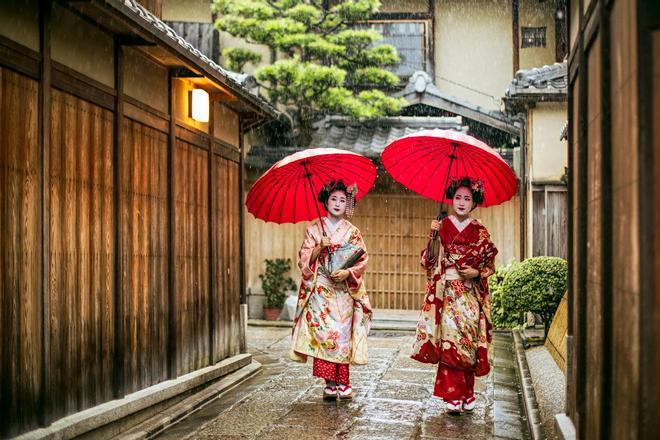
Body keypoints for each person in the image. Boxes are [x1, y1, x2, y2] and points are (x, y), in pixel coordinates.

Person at [411, 177, 498, 414]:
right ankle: (452, 395)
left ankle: (467, 392)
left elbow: (490, 265)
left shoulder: (480, 230)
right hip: (447, 293)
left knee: (467, 342)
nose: (461, 202)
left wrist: (476, 271)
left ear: (474, 202)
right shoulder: (442, 225)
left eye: (467, 198)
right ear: (451, 199)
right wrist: (434, 237)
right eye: (458, 197)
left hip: (469, 293)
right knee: (450, 341)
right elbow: (428, 261)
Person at [290, 180, 372, 400]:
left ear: (348, 204)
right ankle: (329, 382)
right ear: (325, 201)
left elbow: (362, 259)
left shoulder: (352, 232)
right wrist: (319, 248)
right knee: (325, 335)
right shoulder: (314, 229)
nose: (337, 203)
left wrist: (348, 273)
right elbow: (304, 260)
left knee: (342, 336)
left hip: (343, 290)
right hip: (322, 291)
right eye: (333, 199)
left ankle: (344, 382)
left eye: (342, 200)